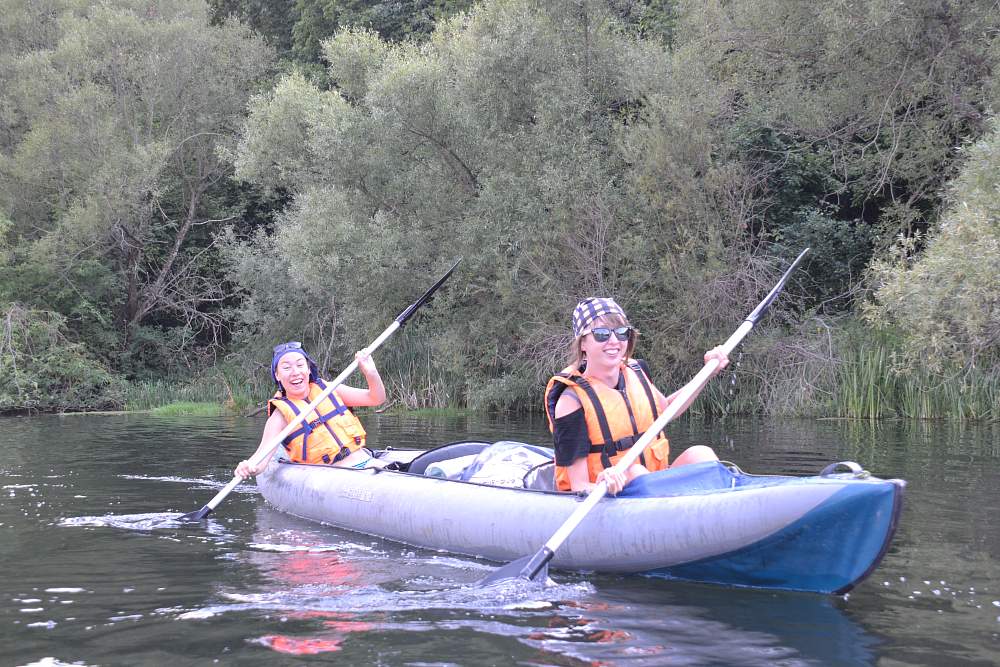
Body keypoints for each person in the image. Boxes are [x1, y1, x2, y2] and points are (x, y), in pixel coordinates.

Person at [544, 298, 729, 495]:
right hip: (612, 493)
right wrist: (603, 482)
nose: (614, 341)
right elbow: (579, 486)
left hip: (653, 482)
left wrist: (707, 373)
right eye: (601, 334)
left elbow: (667, 410)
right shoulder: (571, 401)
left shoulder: (635, 371)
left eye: (622, 332)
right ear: (583, 343)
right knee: (635, 471)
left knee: (701, 454)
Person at [235, 341, 386, 479]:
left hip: (368, 463)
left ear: (308, 369)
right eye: (286, 367)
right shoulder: (279, 416)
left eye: (300, 365)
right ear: (277, 375)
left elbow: (376, 398)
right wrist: (248, 467)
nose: (295, 372)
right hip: (339, 478)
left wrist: (370, 373)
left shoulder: (329, 389)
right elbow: (261, 459)